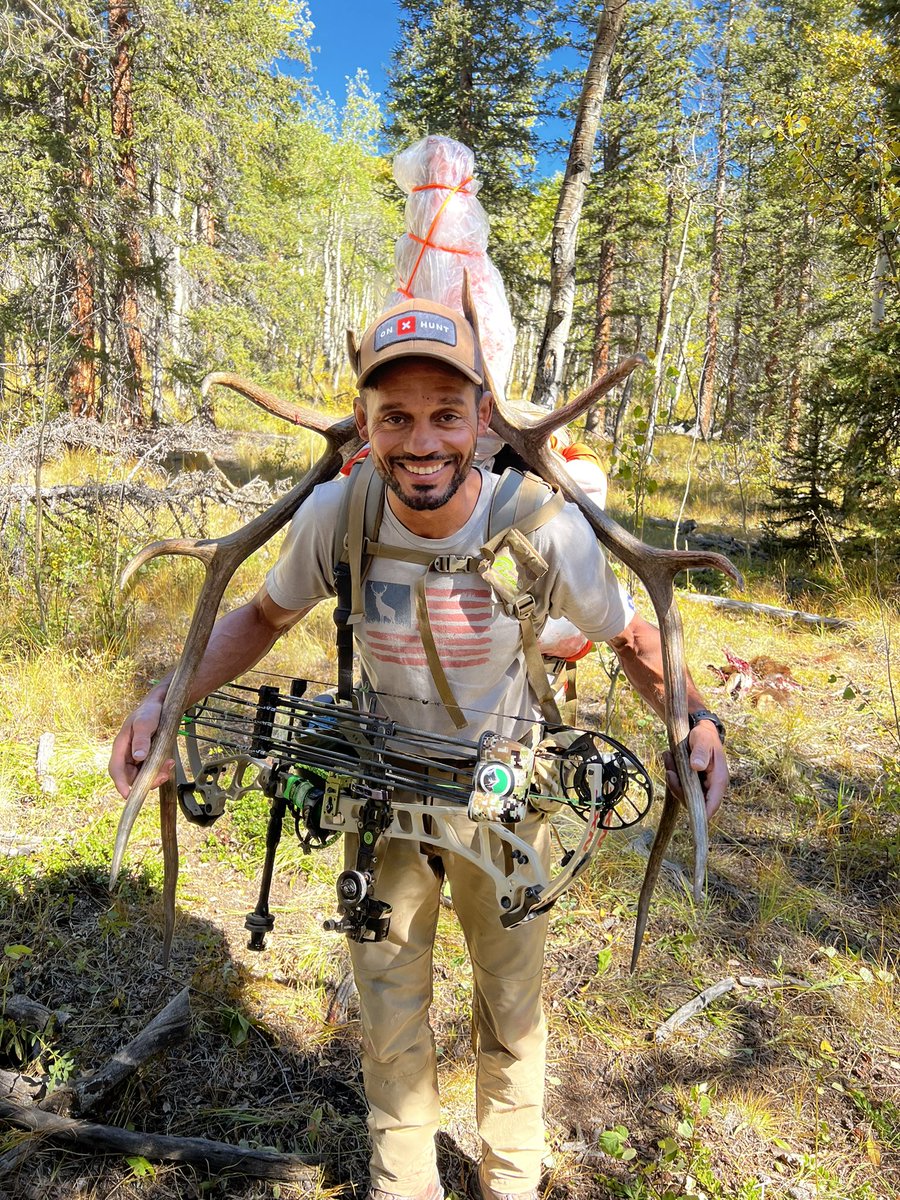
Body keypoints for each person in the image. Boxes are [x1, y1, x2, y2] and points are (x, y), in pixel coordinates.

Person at [110, 298, 728, 1200]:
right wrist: (164, 704)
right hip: (380, 802)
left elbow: (633, 638)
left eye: (446, 412)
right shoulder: (339, 513)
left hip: (506, 811)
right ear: (365, 422)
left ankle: (509, 1183)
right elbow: (260, 617)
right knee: (392, 1023)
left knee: (512, 1018)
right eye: (395, 415)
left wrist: (695, 722)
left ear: (483, 417)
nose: (421, 440)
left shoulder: (544, 526)